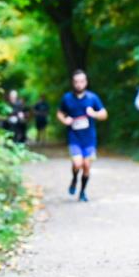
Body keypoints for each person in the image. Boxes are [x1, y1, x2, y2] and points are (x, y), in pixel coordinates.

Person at [56, 70, 108, 202]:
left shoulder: (92, 98)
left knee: (86, 166)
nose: (79, 84)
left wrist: (94, 114)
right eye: (76, 82)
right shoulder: (67, 98)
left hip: (89, 138)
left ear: (86, 82)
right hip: (74, 137)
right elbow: (60, 113)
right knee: (77, 163)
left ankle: (83, 192)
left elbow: (104, 114)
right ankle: (74, 179)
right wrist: (65, 120)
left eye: (82, 81)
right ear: (73, 83)